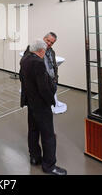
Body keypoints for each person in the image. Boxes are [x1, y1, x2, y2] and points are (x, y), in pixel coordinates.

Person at [19, 39, 67, 175]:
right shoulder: (38, 63)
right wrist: (51, 99)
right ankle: (49, 166)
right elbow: (44, 88)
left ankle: (34, 157)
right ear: (41, 51)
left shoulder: (25, 59)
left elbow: (22, 78)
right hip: (41, 105)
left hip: (31, 102)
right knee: (48, 135)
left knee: (33, 130)